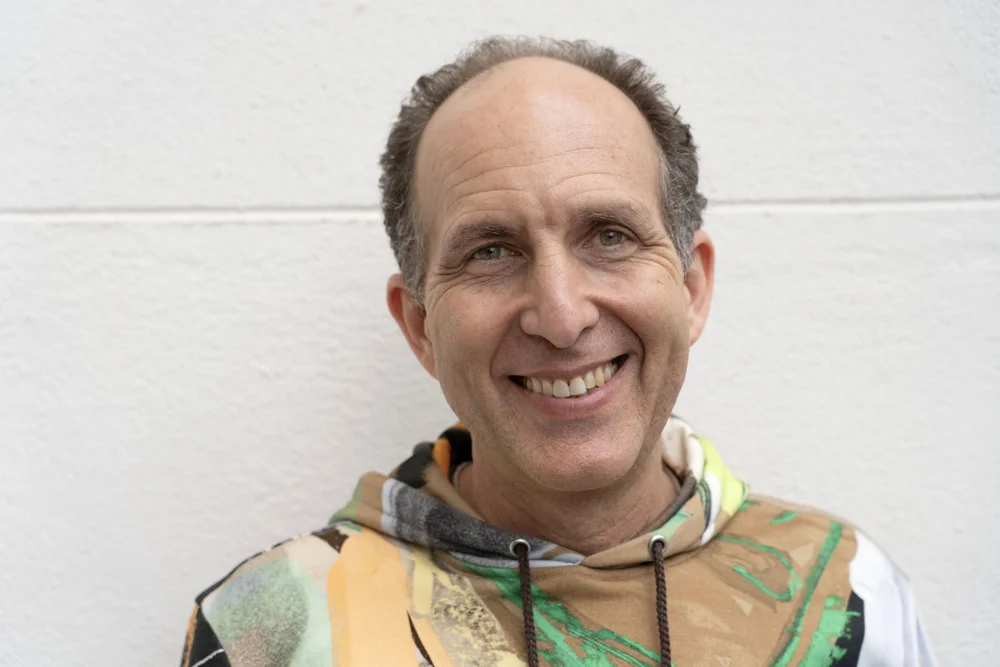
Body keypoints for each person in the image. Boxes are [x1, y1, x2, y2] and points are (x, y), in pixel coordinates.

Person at [179, 37, 936, 667]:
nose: (563, 317)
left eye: (609, 236)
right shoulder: (269, 631)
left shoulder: (851, 594)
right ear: (420, 326)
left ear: (692, 287)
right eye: (491, 250)